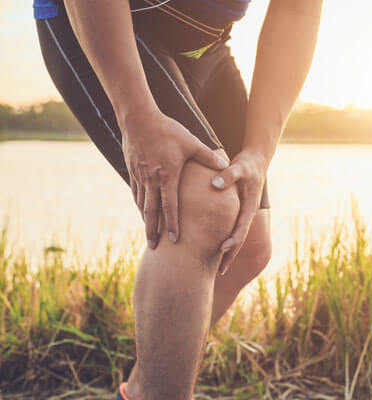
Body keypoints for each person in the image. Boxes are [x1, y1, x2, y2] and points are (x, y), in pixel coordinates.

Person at [34, 0, 323, 398]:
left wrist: (259, 151)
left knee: (248, 246)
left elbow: (297, 10)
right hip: (108, 21)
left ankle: (142, 389)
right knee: (204, 206)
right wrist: (135, 114)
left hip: (208, 44)